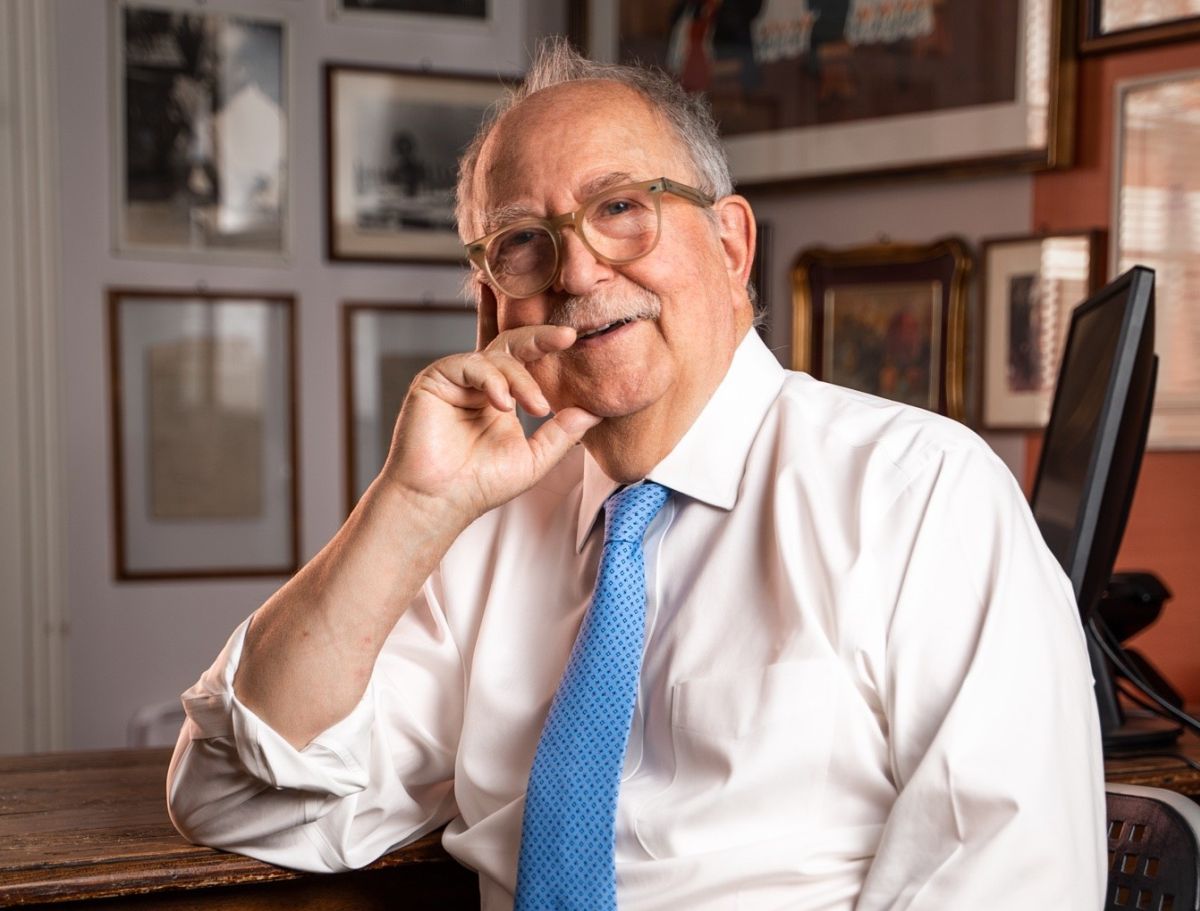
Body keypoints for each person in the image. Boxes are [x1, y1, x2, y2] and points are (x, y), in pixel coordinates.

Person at [167, 38, 1106, 910]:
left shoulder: (920, 495)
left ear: (731, 246)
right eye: (523, 241)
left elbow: (1012, 882)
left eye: (620, 208)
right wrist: (408, 507)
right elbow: (238, 797)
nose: (577, 272)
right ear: (493, 307)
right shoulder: (482, 531)